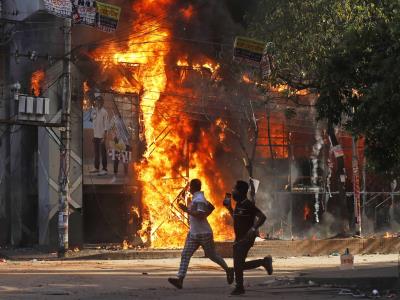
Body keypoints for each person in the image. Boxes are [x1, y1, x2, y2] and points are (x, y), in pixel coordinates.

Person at [168, 179, 234, 289]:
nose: (188, 189)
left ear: (192, 187)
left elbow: (200, 214)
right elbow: (211, 207)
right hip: (194, 234)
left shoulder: (199, 199)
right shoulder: (198, 198)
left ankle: (228, 270)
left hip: (204, 234)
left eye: (190, 187)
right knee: (185, 255)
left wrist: (186, 210)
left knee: (212, 255)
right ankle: (180, 279)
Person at [223, 180, 273, 295]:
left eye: (234, 189)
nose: (232, 191)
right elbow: (237, 219)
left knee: (238, 264)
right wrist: (229, 208)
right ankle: (264, 262)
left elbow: (262, 217)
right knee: (239, 265)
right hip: (239, 238)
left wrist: (253, 229)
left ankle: (239, 287)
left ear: (240, 192)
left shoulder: (248, 204)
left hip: (246, 238)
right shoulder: (239, 205)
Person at [108, 105, 131, 183]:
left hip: (126, 142)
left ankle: (126, 176)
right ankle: (115, 176)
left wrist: (130, 139)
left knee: (125, 160)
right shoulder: (114, 118)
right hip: (118, 142)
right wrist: (114, 136)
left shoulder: (126, 118)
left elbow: (131, 129)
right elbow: (110, 128)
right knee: (116, 160)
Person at [89, 95, 109, 176]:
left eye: (99, 101)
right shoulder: (94, 111)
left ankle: (105, 169)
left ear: (102, 103)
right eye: (97, 101)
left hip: (102, 136)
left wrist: (104, 137)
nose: (98, 103)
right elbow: (91, 120)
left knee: (103, 153)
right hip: (95, 135)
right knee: (96, 153)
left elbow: (106, 126)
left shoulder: (105, 112)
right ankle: (96, 168)